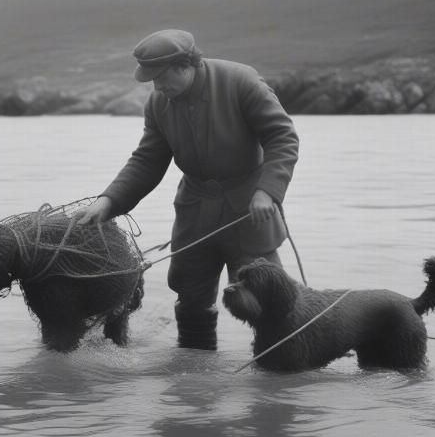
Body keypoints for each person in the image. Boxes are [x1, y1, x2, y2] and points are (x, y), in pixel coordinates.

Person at [78, 29, 299, 350]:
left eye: (160, 77)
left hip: (251, 208)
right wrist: (108, 201)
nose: (156, 87)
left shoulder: (242, 82)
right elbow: (147, 160)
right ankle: (194, 382)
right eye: (151, 80)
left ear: (185, 65)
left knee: (265, 297)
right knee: (190, 294)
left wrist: (268, 191)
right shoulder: (158, 103)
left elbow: (283, 138)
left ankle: (279, 381)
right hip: (195, 209)